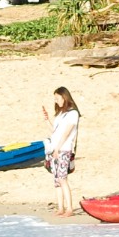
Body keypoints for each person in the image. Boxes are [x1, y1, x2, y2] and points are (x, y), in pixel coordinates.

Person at [44, 88, 81, 217]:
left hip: (64, 149)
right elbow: (55, 132)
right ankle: (60, 208)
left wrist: (58, 148)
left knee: (62, 178)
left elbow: (67, 133)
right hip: (55, 149)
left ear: (64, 97)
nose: (56, 101)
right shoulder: (60, 114)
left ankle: (69, 208)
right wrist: (47, 120)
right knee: (56, 180)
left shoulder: (73, 113)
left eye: (57, 98)